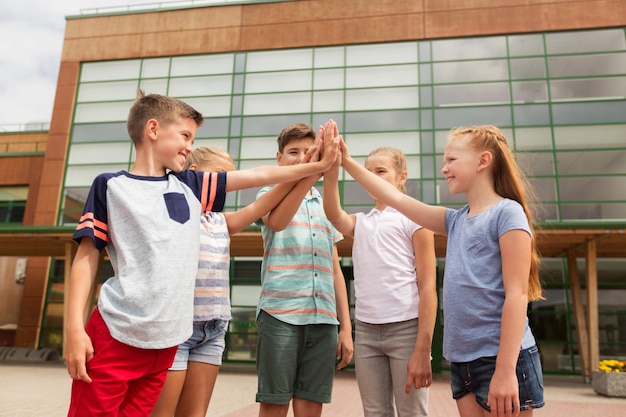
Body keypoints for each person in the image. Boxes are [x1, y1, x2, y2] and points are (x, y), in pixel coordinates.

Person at [64, 92, 339, 417]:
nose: (189, 145)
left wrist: (316, 166)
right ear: (153, 129)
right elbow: (86, 257)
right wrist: (73, 329)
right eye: (185, 135)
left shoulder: (190, 185)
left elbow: (258, 177)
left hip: (167, 341)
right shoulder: (109, 186)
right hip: (116, 333)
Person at [339, 125, 545, 417]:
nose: (444, 168)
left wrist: (505, 370)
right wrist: (345, 161)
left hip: (501, 361)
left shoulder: (507, 213)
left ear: (483, 161)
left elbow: (517, 295)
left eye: (451, 160)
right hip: (464, 362)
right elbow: (395, 198)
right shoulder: (455, 220)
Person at [151, 146, 314, 417]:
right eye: (219, 176)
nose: (225, 185)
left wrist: (307, 172)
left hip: (213, 330)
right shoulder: (173, 213)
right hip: (177, 329)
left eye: (229, 178)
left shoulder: (221, 221)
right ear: (193, 174)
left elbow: (263, 204)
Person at [323, 145, 437, 417]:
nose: (372, 177)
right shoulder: (362, 222)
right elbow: (334, 215)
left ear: (402, 177)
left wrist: (423, 347)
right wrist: (331, 172)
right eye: (367, 172)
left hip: (406, 330)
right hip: (367, 332)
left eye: (381, 171)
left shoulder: (416, 219)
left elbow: (428, 287)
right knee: (375, 412)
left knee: (413, 413)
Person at [254, 120, 354, 417]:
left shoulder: (327, 205)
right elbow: (277, 222)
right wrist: (312, 172)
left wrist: (346, 328)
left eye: (308, 152)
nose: (301, 158)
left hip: (323, 319)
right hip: (280, 315)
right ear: (279, 159)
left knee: (312, 403)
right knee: (275, 402)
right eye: (293, 152)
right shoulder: (267, 194)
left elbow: (335, 268)